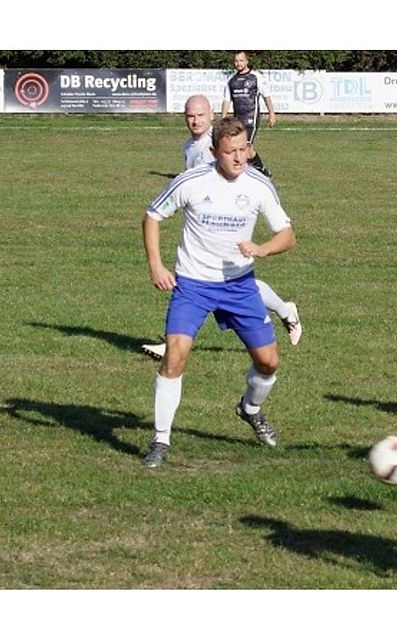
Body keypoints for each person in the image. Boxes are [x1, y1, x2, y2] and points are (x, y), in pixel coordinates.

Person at [140, 116, 296, 468]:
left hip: (239, 286)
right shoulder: (192, 181)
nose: (239, 158)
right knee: (175, 356)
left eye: (243, 150)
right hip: (193, 284)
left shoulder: (258, 185)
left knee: (268, 363)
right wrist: (156, 266)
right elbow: (152, 216)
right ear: (214, 152)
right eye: (230, 152)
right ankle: (160, 441)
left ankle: (250, 409)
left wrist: (263, 248)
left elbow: (287, 234)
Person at [141, 95, 301, 361]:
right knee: (204, 278)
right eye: (190, 116)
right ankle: (174, 344)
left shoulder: (216, 144)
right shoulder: (190, 147)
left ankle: (285, 310)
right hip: (203, 240)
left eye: (201, 115)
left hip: (232, 241)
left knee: (234, 279)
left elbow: (247, 159)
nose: (195, 120)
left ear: (211, 115)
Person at [222, 51, 276, 178]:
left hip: (251, 118)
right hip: (237, 120)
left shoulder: (256, 77)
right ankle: (259, 169)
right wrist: (223, 117)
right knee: (243, 147)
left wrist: (271, 114)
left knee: (245, 146)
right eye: (236, 61)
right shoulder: (231, 80)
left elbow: (266, 96)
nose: (238, 63)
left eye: (241, 60)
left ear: (247, 61)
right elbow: (226, 100)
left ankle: (257, 171)